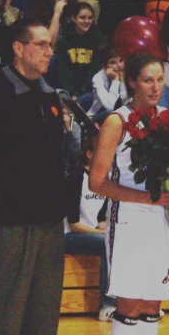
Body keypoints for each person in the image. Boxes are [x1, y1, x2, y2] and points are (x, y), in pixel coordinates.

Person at [0, 18, 66, 335]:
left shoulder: (50, 96)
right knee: (3, 308)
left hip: (49, 219)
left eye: (51, 45)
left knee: (44, 308)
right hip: (10, 219)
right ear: (18, 48)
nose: (49, 51)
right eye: (41, 45)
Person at [89, 53, 169, 335]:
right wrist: (148, 198)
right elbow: (96, 182)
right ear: (132, 82)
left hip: (163, 218)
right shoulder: (117, 121)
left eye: (159, 80)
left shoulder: (168, 119)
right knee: (130, 303)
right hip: (128, 219)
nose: (155, 87)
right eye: (147, 81)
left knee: (154, 303)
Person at [64, 135, 117, 321]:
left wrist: (110, 230)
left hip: (90, 233)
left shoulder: (104, 180)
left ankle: (134, 303)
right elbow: (74, 224)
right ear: (89, 154)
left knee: (122, 240)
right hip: (69, 236)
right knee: (107, 243)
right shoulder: (76, 178)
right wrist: (103, 233)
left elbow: (100, 219)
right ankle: (107, 306)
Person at [56, 2, 105, 110]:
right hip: (69, 89)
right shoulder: (64, 41)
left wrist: (79, 93)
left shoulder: (98, 39)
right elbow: (64, 71)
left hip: (90, 89)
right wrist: (70, 93)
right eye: (82, 17)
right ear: (73, 18)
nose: (87, 21)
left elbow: (95, 70)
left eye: (90, 18)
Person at [87, 45, 128, 123]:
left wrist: (122, 81)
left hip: (121, 117)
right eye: (113, 62)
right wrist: (116, 80)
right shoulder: (98, 78)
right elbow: (109, 107)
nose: (119, 66)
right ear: (104, 66)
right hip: (97, 116)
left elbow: (127, 105)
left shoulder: (128, 75)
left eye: (121, 60)